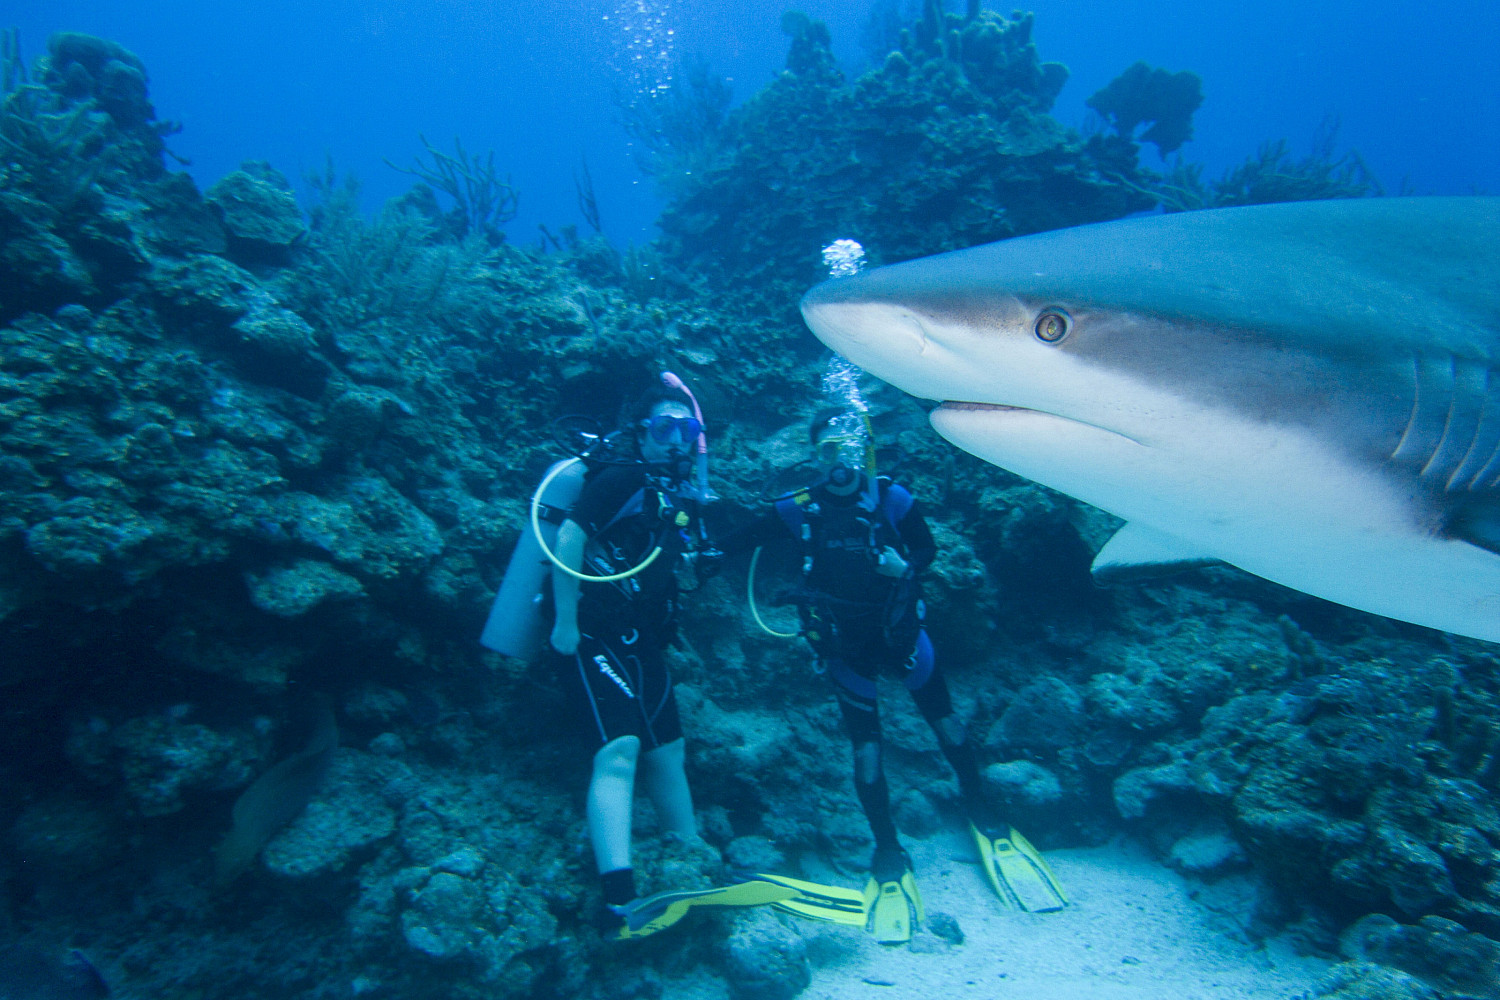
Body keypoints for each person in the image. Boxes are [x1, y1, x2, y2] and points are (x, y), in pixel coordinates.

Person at [723, 409, 1065, 939]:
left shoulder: (892, 498)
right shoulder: (800, 510)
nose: (839, 462)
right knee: (867, 750)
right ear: (815, 455)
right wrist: (692, 549)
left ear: (864, 451)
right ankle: (887, 846)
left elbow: (926, 548)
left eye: (848, 449)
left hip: (902, 634)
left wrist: (903, 568)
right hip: (845, 648)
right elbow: (739, 538)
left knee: (947, 724)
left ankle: (980, 806)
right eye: (827, 451)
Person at [547, 383, 712, 926]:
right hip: (594, 633)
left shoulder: (681, 492)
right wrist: (566, 621)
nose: (675, 439)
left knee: (668, 753)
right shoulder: (622, 477)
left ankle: (688, 863)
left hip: (645, 641)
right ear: (642, 433)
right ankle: (618, 898)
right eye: (664, 427)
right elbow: (570, 535)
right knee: (618, 750)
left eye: (685, 430)